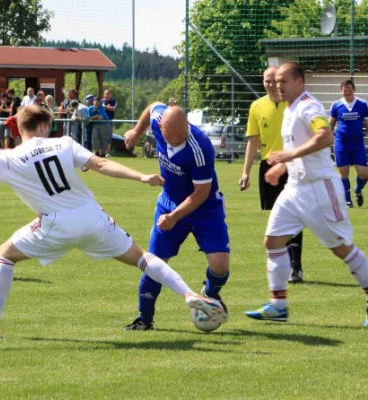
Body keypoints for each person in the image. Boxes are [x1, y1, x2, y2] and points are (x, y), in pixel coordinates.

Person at [0, 105, 226, 339]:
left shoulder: (9, 157)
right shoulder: (64, 143)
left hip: (55, 225)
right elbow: (103, 165)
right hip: (93, 218)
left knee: (5, 254)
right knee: (141, 257)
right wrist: (140, 177)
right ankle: (189, 295)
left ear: (19, 129)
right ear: (46, 126)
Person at [244, 63, 368, 327]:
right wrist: (281, 166)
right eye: (274, 82)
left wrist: (287, 156)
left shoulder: (308, 106)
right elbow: (299, 148)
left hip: (321, 188)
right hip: (295, 188)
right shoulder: (288, 109)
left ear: (300, 82)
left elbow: (325, 137)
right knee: (272, 241)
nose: (277, 86)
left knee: (341, 248)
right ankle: (278, 305)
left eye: (283, 81)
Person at [123, 104, 231, 331]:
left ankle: (210, 294)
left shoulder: (201, 147)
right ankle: (144, 319)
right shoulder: (158, 118)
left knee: (220, 265)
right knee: (156, 262)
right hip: (169, 201)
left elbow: (200, 193)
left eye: (181, 136)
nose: (175, 141)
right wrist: (136, 131)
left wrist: (173, 217)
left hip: (205, 208)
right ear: (160, 127)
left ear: (187, 127)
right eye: (170, 137)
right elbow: (152, 105)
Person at [239, 66, 305, 283]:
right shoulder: (256, 107)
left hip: (293, 165)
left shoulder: (293, 104)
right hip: (268, 167)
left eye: (273, 80)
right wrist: (245, 172)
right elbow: (253, 141)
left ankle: (296, 267)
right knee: (277, 217)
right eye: (266, 80)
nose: (270, 84)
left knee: (294, 215)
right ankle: (283, 265)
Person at [329, 80, 368, 208]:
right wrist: (325, 141)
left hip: (357, 144)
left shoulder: (362, 104)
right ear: (341, 91)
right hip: (341, 143)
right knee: (343, 172)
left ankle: (358, 189)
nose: (347, 92)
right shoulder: (336, 105)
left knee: (363, 173)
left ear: (354, 89)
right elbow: (330, 125)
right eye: (344, 89)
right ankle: (347, 200)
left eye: (349, 89)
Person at [101, 90, 118, 156]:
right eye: (105, 94)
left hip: (109, 121)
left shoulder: (114, 102)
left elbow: (113, 108)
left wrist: (105, 107)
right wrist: (106, 107)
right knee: (100, 137)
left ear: (111, 95)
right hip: (100, 121)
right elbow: (98, 107)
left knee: (108, 137)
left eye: (108, 94)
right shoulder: (101, 101)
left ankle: (107, 152)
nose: (106, 95)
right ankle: (101, 152)